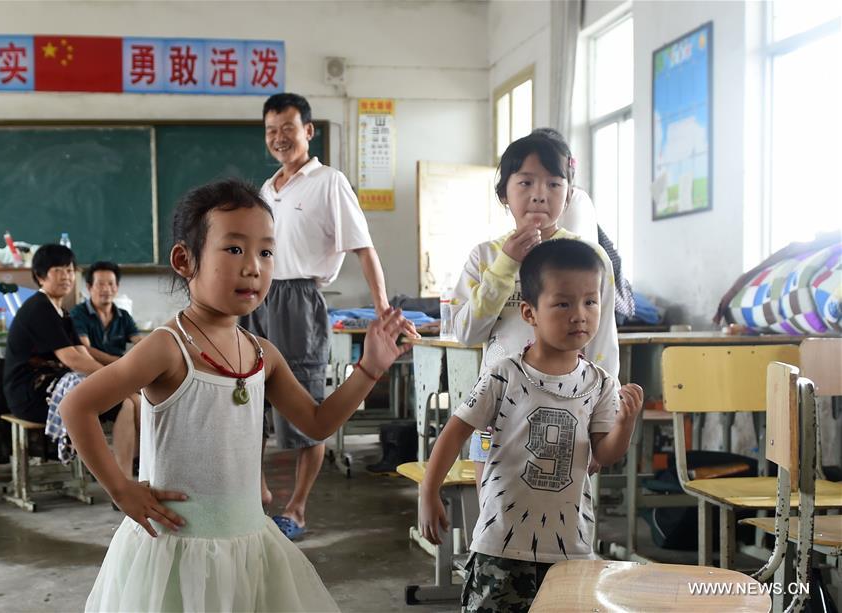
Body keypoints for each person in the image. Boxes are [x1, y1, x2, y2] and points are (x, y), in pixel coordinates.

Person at [60, 178, 411, 612]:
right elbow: (77, 406)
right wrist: (121, 488)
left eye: (266, 252)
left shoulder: (264, 353)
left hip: (247, 545)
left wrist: (371, 367)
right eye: (234, 249)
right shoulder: (168, 347)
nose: (254, 267)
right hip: (177, 553)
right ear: (185, 260)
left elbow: (317, 423)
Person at [420, 239, 643, 612]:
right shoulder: (503, 375)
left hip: (571, 546)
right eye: (563, 303)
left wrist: (625, 423)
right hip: (501, 543)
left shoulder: (601, 383)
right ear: (529, 313)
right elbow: (455, 431)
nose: (580, 315)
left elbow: (604, 453)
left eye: (591, 301)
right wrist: (429, 492)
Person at [246, 92, 416, 540]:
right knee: (244, 398)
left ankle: (297, 509)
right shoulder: (267, 189)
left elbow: (364, 248)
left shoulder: (328, 182)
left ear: (307, 130)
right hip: (257, 298)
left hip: (299, 301)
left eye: (287, 128)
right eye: (270, 131)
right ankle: (257, 495)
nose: (279, 138)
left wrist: (382, 309)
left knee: (305, 411)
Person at [449, 130, 620, 489]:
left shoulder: (589, 259)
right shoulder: (485, 257)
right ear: (503, 193)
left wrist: (602, 419)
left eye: (554, 184)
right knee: (493, 515)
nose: (540, 194)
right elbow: (465, 332)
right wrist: (506, 266)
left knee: (559, 517)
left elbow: (604, 346)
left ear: (569, 194)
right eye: (526, 182)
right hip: (495, 412)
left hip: (568, 409)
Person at [2, 244, 138, 479]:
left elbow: (81, 352)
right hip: (29, 395)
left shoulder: (61, 311)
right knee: (126, 400)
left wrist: (120, 377)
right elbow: (72, 359)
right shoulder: (39, 308)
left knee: (133, 400)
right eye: (58, 270)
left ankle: (133, 475)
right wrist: (119, 379)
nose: (66, 276)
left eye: (69, 270)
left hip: (51, 386)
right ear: (40, 275)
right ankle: (121, 482)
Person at [71, 261, 143, 365]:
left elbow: (139, 341)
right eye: (100, 284)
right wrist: (120, 362)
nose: (106, 289)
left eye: (111, 284)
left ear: (117, 287)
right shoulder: (78, 314)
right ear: (89, 287)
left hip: (119, 369)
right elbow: (85, 349)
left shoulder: (124, 316)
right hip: (91, 370)